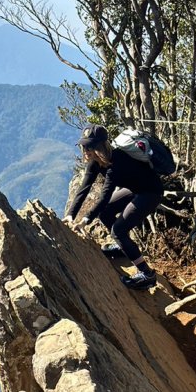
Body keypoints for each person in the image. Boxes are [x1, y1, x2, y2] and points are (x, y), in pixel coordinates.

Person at [63, 124, 164, 290]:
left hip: (150, 192)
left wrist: (86, 220)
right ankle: (122, 247)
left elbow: (105, 196)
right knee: (105, 213)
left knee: (118, 231)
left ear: (100, 146)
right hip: (135, 189)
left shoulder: (116, 161)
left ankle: (147, 274)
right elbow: (84, 188)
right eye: (84, 145)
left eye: (89, 146)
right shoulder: (95, 162)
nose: (85, 149)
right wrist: (70, 214)